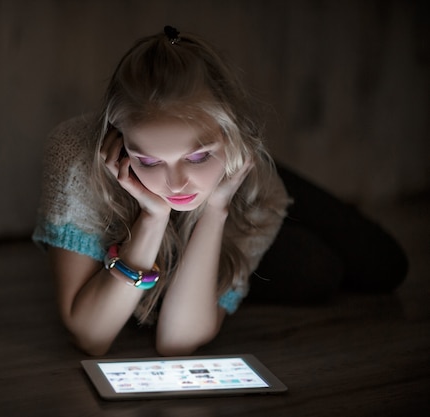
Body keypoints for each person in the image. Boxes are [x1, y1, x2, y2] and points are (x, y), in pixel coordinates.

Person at [32, 26, 408, 356]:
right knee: (318, 270)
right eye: (149, 160)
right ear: (119, 139)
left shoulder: (257, 188)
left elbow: (175, 340)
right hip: (191, 224)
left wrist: (216, 209)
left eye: (196, 156)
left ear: (230, 137)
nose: (176, 183)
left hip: (238, 195)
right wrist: (152, 217)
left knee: (385, 265)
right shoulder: (76, 156)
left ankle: (218, 197)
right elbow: (103, 339)